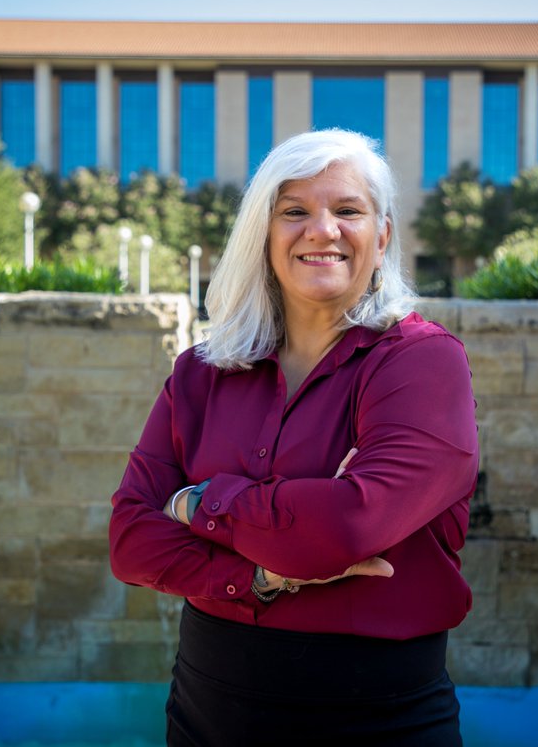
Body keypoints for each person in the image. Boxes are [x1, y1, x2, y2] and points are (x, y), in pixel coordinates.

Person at [109, 128, 479, 747]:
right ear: (264, 232)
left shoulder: (421, 363)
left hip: (377, 720)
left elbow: (347, 530)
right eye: (295, 212)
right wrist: (263, 575)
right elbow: (130, 541)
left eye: (348, 211)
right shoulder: (200, 373)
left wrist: (197, 502)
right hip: (208, 712)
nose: (322, 230)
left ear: (382, 234)